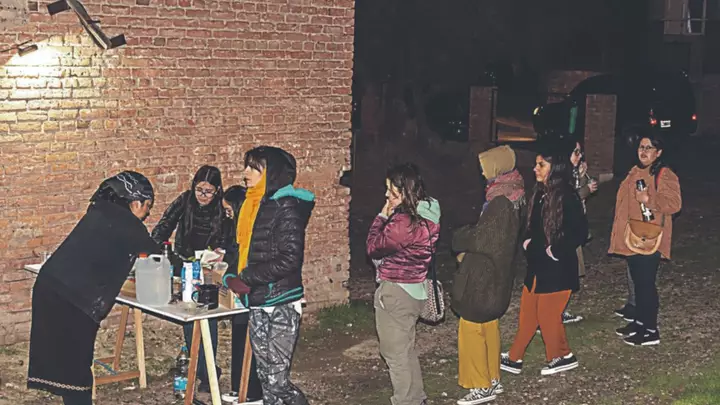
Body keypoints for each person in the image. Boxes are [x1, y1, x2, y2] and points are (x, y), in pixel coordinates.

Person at [27, 171, 158, 405]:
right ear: (135, 202)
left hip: (51, 288)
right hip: (72, 300)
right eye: (147, 206)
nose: (147, 213)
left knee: (66, 363)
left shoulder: (100, 211)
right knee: (76, 366)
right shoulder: (128, 224)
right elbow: (156, 254)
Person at [223, 146, 314, 405]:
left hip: (281, 300)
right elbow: (244, 249)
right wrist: (231, 275)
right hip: (258, 298)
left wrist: (248, 276)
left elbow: (290, 259)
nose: (245, 173)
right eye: (247, 166)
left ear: (271, 174)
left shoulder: (286, 206)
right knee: (265, 376)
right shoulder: (254, 204)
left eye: (254, 168)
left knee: (277, 381)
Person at [500, 144, 587, 376]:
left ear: (554, 167)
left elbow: (579, 231)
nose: (535, 169)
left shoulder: (567, 196)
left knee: (548, 315)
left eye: (541, 164)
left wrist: (554, 250)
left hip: (558, 268)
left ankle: (559, 356)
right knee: (528, 313)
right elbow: (531, 227)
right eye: (536, 164)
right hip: (537, 265)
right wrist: (527, 242)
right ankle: (515, 357)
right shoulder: (540, 193)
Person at [151, 165, 235, 393]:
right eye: (199, 190)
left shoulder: (222, 207)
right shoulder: (185, 200)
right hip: (184, 263)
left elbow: (231, 237)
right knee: (188, 315)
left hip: (209, 267)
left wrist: (221, 253)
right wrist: (154, 250)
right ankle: (201, 367)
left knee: (208, 317)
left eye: (209, 191)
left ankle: (208, 372)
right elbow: (164, 225)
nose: (203, 196)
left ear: (217, 190)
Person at [452, 146, 525, 405]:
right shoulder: (514, 193)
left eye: (485, 167)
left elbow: (485, 239)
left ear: (497, 166)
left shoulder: (500, 201)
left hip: (485, 274)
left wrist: (460, 236)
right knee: (489, 325)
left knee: (471, 327)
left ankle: (479, 385)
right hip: (497, 272)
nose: (482, 173)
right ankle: (492, 377)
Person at [366, 163, 441, 405]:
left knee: (395, 354)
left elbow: (373, 247)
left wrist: (381, 216)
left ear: (405, 191)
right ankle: (417, 398)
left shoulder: (404, 222)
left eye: (392, 191)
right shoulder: (429, 212)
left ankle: (405, 401)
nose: (386, 195)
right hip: (416, 289)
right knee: (406, 350)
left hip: (396, 291)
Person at [609, 133, 681, 346]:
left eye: (649, 148)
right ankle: (639, 322)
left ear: (658, 152)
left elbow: (674, 204)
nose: (643, 151)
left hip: (649, 237)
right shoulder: (635, 171)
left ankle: (650, 330)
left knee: (646, 285)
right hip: (632, 235)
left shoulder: (664, 174)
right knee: (638, 283)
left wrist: (650, 199)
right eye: (641, 147)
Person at [561, 140, 599, 324]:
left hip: (573, 229)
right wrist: (586, 190)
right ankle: (553, 313)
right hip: (563, 232)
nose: (580, 155)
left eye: (580, 152)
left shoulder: (573, 172)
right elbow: (568, 199)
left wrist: (583, 177)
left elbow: (577, 192)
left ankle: (560, 310)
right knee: (563, 272)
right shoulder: (560, 174)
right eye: (576, 152)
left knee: (571, 272)